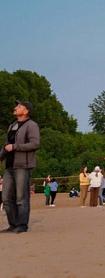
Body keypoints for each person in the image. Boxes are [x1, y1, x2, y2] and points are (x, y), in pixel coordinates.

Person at [0, 100, 40, 233]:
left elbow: (35, 144)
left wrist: (15, 147)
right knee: (6, 197)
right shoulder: (12, 126)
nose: (15, 108)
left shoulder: (31, 125)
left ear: (26, 111)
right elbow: (7, 145)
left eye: (19, 106)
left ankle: (22, 225)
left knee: (21, 197)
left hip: (23, 166)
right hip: (9, 166)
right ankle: (13, 224)